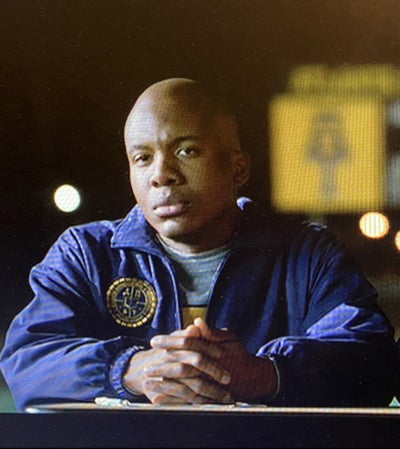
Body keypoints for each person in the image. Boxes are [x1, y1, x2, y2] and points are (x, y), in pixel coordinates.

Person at [0, 78, 397, 411]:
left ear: (238, 168)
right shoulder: (86, 254)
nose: (162, 174)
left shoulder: (308, 255)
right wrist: (130, 369)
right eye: (142, 158)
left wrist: (264, 373)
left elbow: (374, 360)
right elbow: (27, 357)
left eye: (186, 150)